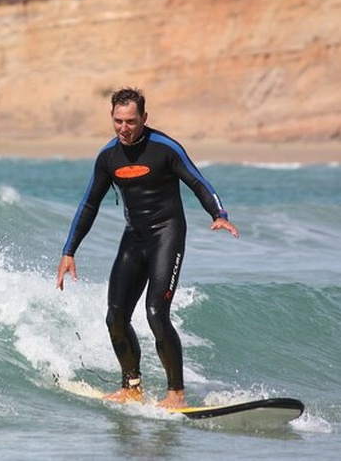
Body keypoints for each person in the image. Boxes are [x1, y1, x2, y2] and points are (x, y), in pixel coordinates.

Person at [56, 87, 238, 409]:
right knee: (115, 317)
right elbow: (89, 205)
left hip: (167, 235)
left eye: (131, 121)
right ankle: (131, 387)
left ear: (144, 118)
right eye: (118, 121)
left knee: (156, 313)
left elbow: (198, 182)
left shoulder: (165, 148)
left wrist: (218, 214)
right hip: (134, 238)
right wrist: (69, 251)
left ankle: (175, 394)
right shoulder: (108, 157)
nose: (124, 128)